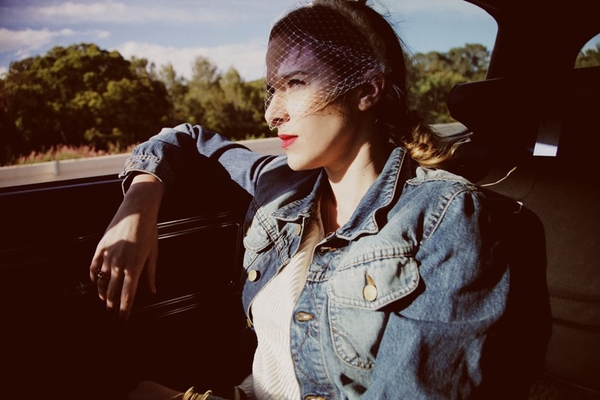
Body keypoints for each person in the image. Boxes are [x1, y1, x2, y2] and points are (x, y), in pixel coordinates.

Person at [90, 0, 521, 398]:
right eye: (272, 88)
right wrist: (140, 199)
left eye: (295, 83)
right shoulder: (281, 183)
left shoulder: (445, 216)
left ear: (366, 90)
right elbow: (186, 139)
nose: (272, 112)